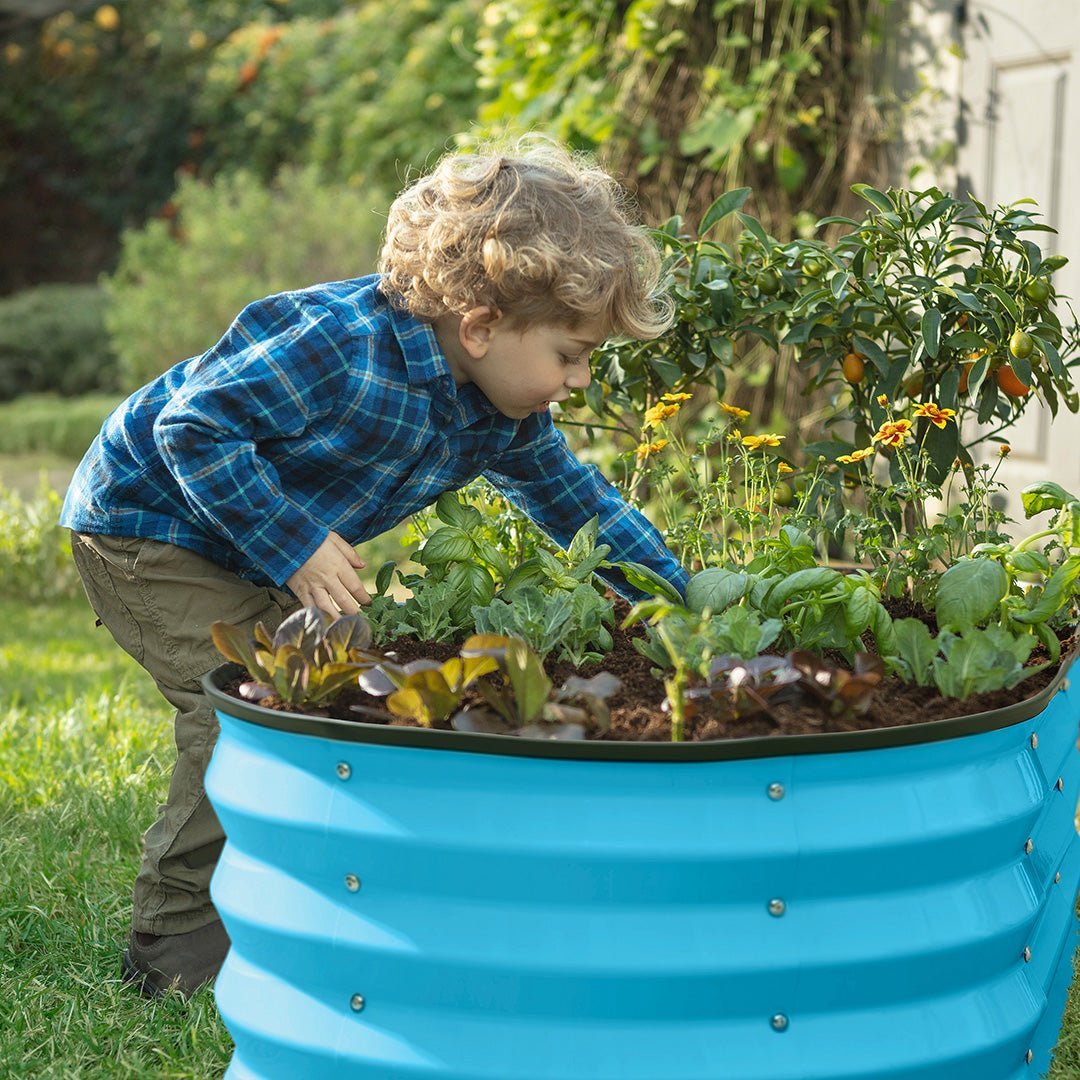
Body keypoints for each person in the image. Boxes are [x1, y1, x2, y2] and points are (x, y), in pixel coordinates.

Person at [60, 137, 689, 998]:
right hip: (147, 524)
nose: (578, 380)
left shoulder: (500, 414)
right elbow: (193, 430)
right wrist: (295, 544)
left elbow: (579, 505)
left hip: (243, 535)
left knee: (341, 673)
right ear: (480, 327)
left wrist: (680, 598)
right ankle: (172, 943)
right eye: (569, 354)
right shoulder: (340, 346)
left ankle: (299, 887)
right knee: (246, 704)